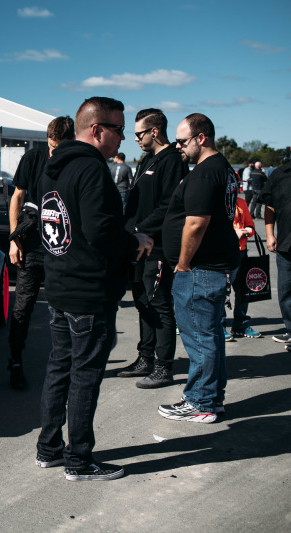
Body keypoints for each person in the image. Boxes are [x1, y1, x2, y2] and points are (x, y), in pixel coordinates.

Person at [35, 97, 153, 481]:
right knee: (84, 374)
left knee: (60, 369)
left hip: (60, 284)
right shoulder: (91, 169)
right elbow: (100, 231)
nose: (124, 138)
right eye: (119, 129)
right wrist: (135, 243)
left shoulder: (53, 168)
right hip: (86, 289)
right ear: (97, 129)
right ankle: (79, 460)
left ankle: (49, 449)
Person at [159, 113, 240, 423]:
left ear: (201, 138)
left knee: (199, 336)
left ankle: (201, 402)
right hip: (214, 266)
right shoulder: (223, 169)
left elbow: (196, 223)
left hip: (200, 269)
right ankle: (212, 398)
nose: (179, 146)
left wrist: (182, 263)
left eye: (182, 141)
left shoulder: (206, 172)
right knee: (211, 335)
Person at [119, 109, 187, 388]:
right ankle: (145, 357)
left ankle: (163, 366)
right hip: (138, 246)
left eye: (139, 134)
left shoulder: (171, 161)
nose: (135, 139)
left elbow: (170, 205)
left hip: (156, 246)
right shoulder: (148, 159)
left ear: (154, 131)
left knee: (159, 304)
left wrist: (140, 230)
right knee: (142, 301)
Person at [6, 116, 75, 389]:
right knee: (22, 308)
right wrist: (14, 239)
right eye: (51, 145)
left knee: (64, 309)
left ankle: (65, 365)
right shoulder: (33, 157)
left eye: (59, 146)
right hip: (32, 245)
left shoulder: (76, 162)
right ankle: (14, 361)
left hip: (63, 248)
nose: (53, 151)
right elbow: (17, 196)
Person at [262, 161, 291, 348]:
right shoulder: (280, 174)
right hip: (286, 245)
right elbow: (269, 206)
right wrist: (270, 234)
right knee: (286, 292)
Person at [223, 194, 260, 340]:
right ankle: (220, 326)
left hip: (241, 252)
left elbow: (250, 225)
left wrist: (247, 231)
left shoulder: (241, 202)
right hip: (224, 253)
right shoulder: (216, 201)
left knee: (243, 290)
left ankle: (241, 325)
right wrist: (234, 234)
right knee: (222, 291)